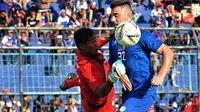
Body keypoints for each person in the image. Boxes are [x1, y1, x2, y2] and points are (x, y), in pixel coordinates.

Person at [108, 0, 174, 112]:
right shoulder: (114, 41)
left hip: (143, 92)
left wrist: (160, 76)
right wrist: (119, 73)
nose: (112, 20)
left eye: (116, 16)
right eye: (111, 16)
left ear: (128, 16)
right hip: (128, 94)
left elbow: (168, 52)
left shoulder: (141, 35)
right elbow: (112, 64)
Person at [60, 27, 131, 112]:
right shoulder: (88, 68)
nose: (96, 44)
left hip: (94, 97)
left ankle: (68, 83)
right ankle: (68, 83)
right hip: (99, 108)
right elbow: (100, 92)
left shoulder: (86, 50)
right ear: (82, 46)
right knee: (86, 81)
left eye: (94, 40)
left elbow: (102, 39)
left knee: (83, 81)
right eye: (93, 42)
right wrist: (113, 77)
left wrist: (115, 33)